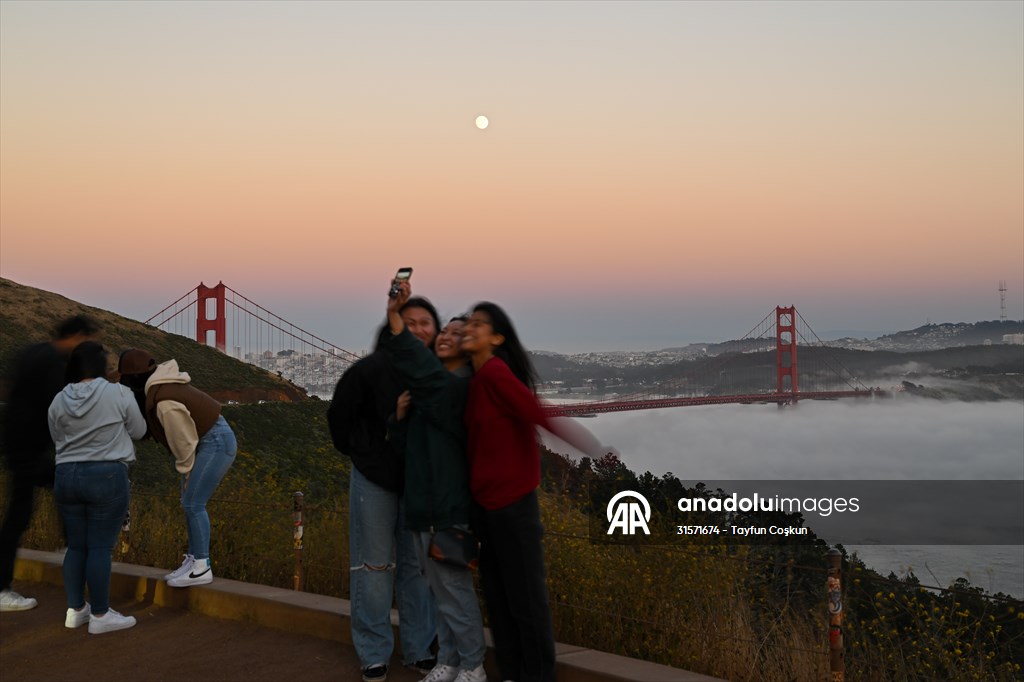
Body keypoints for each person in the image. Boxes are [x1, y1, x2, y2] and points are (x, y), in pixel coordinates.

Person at [460, 302, 608, 682]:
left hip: (513, 509)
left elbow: (536, 411)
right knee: (499, 601)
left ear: (496, 337)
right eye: (469, 322)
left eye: (480, 324)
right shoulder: (475, 381)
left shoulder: (494, 374)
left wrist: (592, 447)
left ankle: (538, 676)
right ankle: (512, 673)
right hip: (487, 511)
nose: (470, 328)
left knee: (525, 603)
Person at [327, 294, 440, 681]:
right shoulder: (369, 370)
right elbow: (338, 418)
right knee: (373, 567)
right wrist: (365, 455)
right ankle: (373, 652)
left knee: (418, 568)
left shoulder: (437, 373)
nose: (419, 329)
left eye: (426, 322)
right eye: (409, 322)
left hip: (420, 483)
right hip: (374, 481)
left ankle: (419, 649)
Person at [382, 281, 487, 682]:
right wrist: (400, 416)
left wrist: (396, 317)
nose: (446, 336)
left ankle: (473, 664)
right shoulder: (428, 391)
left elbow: (416, 362)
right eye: (445, 331)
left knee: (454, 590)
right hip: (422, 507)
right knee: (438, 591)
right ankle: (449, 659)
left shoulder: (458, 387)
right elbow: (407, 449)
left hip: (448, 508)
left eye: (455, 334)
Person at [0, 314, 99, 612]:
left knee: (59, 485)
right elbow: (61, 403)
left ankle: (69, 543)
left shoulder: (35, 351)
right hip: (26, 449)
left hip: (22, 446)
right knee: (19, 516)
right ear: (77, 336)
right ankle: (2, 589)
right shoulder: (51, 362)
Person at [48, 341, 146, 634]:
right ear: (103, 366)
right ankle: (101, 615)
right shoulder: (118, 393)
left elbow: (56, 436)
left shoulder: (59, 399)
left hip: (66, 475)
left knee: (76, 546)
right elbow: (139, 431)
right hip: (106, 476)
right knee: (100, 547)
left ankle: (75, 610)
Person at [117, 349, 236, 588]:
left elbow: (184, 440)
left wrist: (186, 469)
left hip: (215, 441)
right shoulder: (159, 386)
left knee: (193, 503)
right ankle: (193, 561)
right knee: (189, 502)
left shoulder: (164, 401)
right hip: (209, 440)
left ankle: (201, 566)